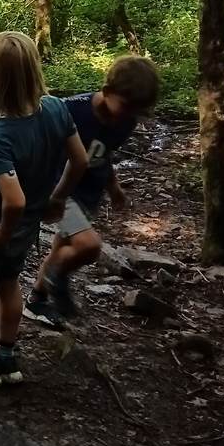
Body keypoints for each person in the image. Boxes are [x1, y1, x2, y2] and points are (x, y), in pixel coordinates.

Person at [0, 32, 88, 388]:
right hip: (29, 223)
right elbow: (80, 159)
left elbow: (13, 200)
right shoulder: (57, 108)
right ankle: (7, 355)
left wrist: (1, 230)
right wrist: (58, 198)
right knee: (10, 283)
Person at [24, 55, 160, 328]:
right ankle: (54, 277)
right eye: (127, 106)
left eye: (137, 110)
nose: (130, 114)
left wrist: (114, 187)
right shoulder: (71, 109)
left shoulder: (126, 122)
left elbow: (103, 153)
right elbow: (37, 139)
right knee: (88, 246)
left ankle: (36, 300)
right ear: (108, 92)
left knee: (63, 246)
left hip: (89, 190)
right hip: (59, 189)